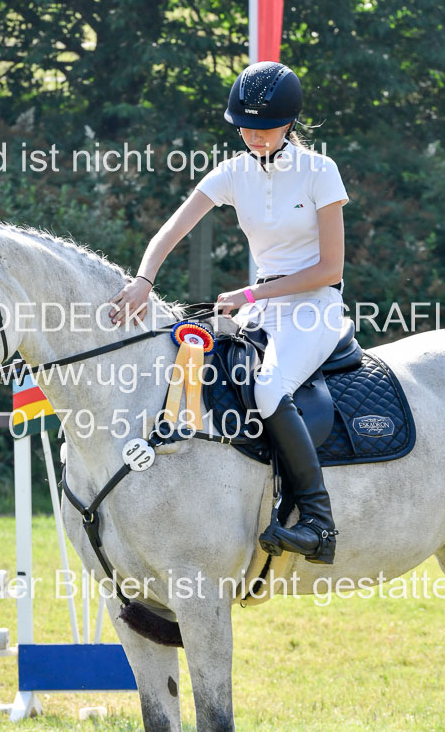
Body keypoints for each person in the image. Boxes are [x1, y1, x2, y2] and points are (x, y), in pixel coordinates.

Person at [109, 61, 348, 565]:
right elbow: (171, 231)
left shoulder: (320, 172)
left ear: (289, 123)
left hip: (315, 307)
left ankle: (318, 522)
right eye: (245, 127)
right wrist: (143, 280)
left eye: (265, 128)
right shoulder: (232, 173)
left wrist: (251, 295)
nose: (254, 136)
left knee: (269, 389)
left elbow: (329, 268)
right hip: (261, 308)